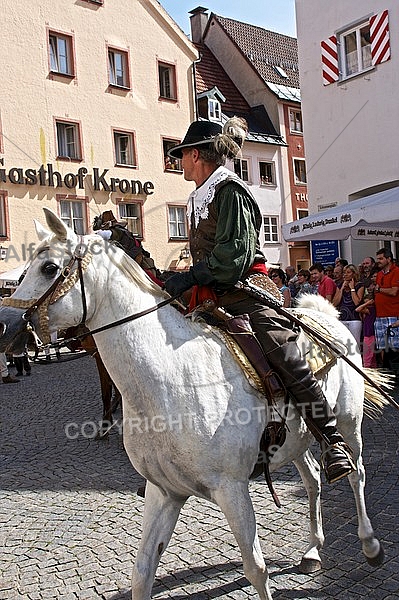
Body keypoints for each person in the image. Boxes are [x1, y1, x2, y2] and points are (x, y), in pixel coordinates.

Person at [164, 117, 354, 484]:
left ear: (197, 154)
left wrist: (191, 276)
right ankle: (176, 455)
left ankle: (331, 439)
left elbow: (233, 257)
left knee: (280, 350)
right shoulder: (197, 196)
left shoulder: (230, 191)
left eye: (182, 154)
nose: (179, 161)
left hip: (244, 289)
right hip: (210, 292)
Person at [93, 210, 165, 286]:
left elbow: (102, 235)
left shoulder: (117, 231)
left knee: (145, 278)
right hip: (131, 258)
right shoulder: (122, 231)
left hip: (132, 260)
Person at [374, 248, 399, 365]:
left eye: (381, 258)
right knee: (383, 348)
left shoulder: (396, 271)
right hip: (380, 315)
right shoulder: (379, 274)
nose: (378, 261)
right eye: (377, 258)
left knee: (394, 349)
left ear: (388, 259)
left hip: (393, 314)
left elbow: (394, 291)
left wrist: (379, 289)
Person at [332, 264, 364, 349]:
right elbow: (335, 303)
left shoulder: (359, 285)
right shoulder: (340, 286)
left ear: (354, 274)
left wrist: (352, 288)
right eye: (344, 273)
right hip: (342, 318)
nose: (345, 274)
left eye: (348, 272)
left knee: (355, 344)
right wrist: (342, 289)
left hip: (354, 319)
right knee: (343, 344)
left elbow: (357, 302)